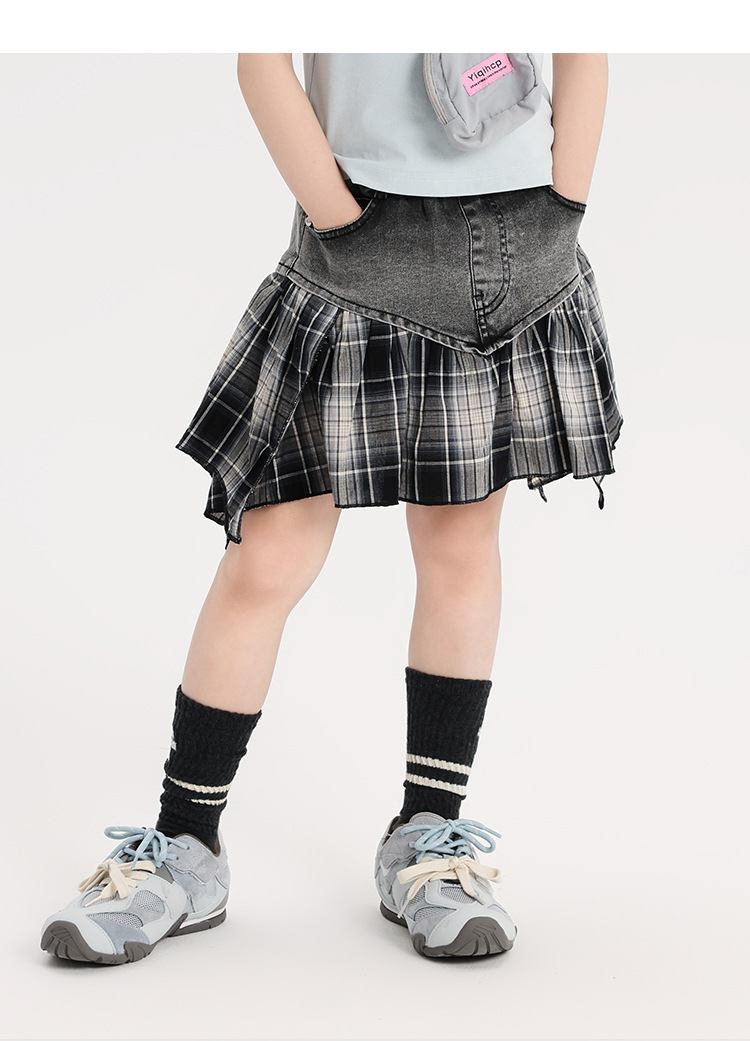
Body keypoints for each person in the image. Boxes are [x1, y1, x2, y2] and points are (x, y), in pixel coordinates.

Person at [41, 52, 623, 964]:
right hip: (360, 235)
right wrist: (339, 218)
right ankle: (185, 843)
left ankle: (427, 835)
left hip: (522, 238)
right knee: (269, 555)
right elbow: (261, 55)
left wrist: (566, 201)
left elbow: (586, 39)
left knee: (461, 546)